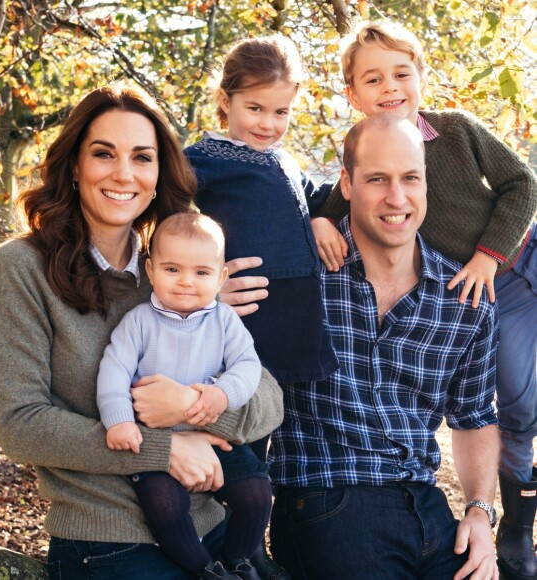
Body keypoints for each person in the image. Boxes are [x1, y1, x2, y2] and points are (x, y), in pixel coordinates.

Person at [0, 83, 284, 580]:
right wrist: (166, 448)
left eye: (142, 157)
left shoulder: (174, 271)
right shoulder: (22, 267)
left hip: (213, 526)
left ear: (159, 171)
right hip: (108, 542)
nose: (124, 174)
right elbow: (21, 425)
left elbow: (270, 400)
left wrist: (191, 405)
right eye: (104, 153)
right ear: (75, 164)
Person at [312, 21, 537, 580]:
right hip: (479, 294)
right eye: (373, 78)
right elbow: (329, 194)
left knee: (522, 405)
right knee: (509, 405)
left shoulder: (455, 131)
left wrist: (488, 253)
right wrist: (317, 218)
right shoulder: (363, 158)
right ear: (352, 94)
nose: (390, 87)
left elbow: (523, 185)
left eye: (401, 73)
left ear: (420, 77)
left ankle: (516, 520)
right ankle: (515, 527)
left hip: (515, 263)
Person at [267, 114, 500, 580]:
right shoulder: (298, 278)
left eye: (410, 178)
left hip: (427, 508)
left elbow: (474, 417)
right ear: (347, 184)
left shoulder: (464, 301)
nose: (397, 198)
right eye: (378, 180)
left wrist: (478, 512)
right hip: (326, 497)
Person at [184, 35, 337, 580]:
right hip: (246, 321)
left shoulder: (284, 158)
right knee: (238, 430)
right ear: (225, 101)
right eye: (255, 108)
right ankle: (237, 543)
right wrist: (202, 282)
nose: (269, 123)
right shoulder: (203, 160)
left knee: (273, 436)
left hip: (292, 320)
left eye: (281, 111)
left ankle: (257, 538)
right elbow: (165, 223)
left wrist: (319, 216)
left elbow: (314, 195)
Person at [97, 212, 271, 579]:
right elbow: (113, 371)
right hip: (157, 441)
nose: (186, 283)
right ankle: (205, 568)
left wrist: (222, 395)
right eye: (172, 269)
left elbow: (247, 366)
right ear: (151, 269)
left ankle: (239, 558)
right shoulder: (139, 321)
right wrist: (119, 420)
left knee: (255, 492)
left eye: (201, 273)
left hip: (213, 439)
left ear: (222, 276)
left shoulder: (224, 320)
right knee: (163, 505)